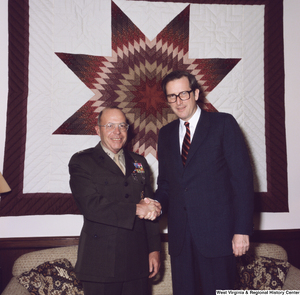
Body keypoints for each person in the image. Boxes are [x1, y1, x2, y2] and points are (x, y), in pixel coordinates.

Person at [155, 70, 254, 294]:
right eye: (172, 96)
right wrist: (155, 204)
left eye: (183, 94)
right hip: (180, 240)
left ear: (196, 93)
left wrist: (242, 230)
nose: (178, 102)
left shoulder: (223, 124)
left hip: (218, 237)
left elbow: (243, 181)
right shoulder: (165, 134)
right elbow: (165, 185)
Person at [69, 106, 161, 295]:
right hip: (101, 264)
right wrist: (136, 209)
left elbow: (148, 206)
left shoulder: (139, 162)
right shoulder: (82, 161)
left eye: (122, 126)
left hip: (137, 261)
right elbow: (91, 206)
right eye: (110, 125)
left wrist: (154, 249)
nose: (117, 132)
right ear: (98, 130)